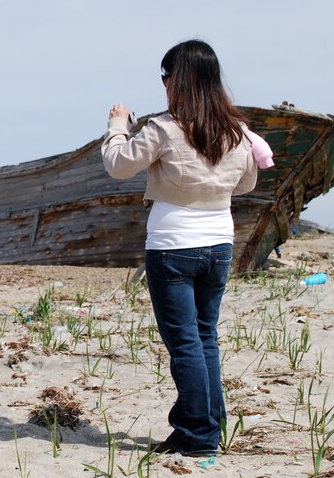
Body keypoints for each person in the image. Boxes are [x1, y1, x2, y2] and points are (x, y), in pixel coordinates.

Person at [101, 40, 258, 456]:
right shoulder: (237, 131)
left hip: (173, 245)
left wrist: (118, 124)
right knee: (205, 336)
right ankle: (211, 424)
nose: (164, 84)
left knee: (185, 342)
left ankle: (197, 435)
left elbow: (118, 165)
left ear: (178, 80)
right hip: (219, 243)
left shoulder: (164, 128)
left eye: (166, 77)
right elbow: (247, 184)